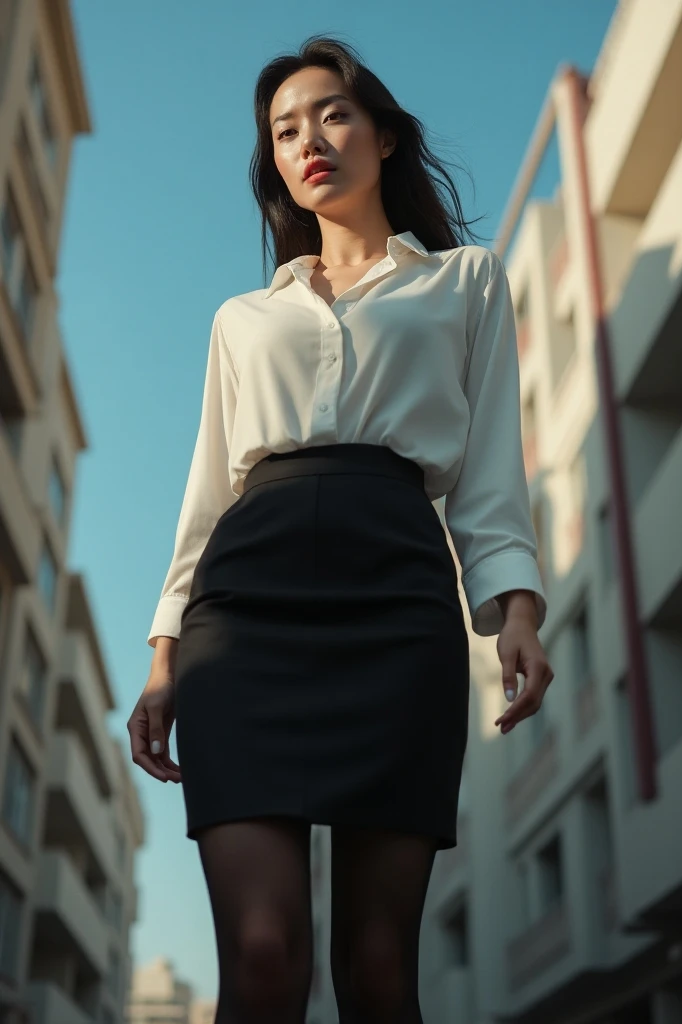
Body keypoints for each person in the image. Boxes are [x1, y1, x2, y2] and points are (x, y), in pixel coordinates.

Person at [128, 33, 554, 1024]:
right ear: (272, 162)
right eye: (284, 129)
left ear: (384, 136)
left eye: (331, 113)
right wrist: (162, 653)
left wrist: (518, 610)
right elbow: (205, 493)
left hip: (396, 605)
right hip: (243, 615)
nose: (309, 138)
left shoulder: (465, 282)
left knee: (375, 971)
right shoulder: (243, 317)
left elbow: (493, 469)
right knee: (265, 956)